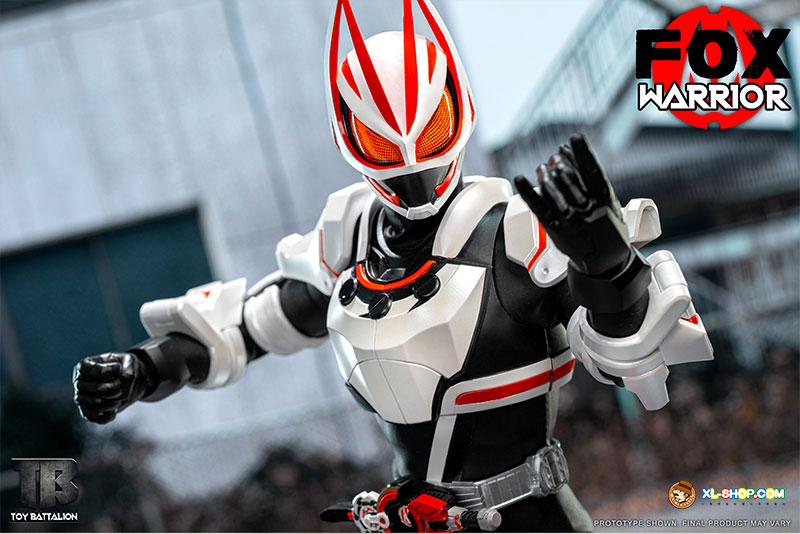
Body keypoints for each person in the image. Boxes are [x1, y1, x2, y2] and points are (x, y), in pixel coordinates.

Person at [73, 1, 713, 531]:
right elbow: (249, 327)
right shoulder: (351, 235)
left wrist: (605, 262)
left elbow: (635, 355)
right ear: (352, 135)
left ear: (455, 110)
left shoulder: (512, 229)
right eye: (384, 142)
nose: (410, 159)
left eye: (427, 131)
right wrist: (147, 366)